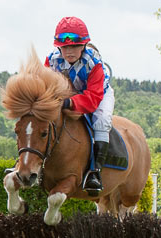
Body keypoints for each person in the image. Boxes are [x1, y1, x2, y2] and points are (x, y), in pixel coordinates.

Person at [44, 16, 114, 194]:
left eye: (75, 46)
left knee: (102, 122)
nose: (69, 51)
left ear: (83, 45)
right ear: (59, 46)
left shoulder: (94, 63)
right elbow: (43, 85)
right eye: (65, 47)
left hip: (98, 95)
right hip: (68, 95)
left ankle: (94, 173)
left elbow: (92, 97)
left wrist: (69, 102)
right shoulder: (51, 60)